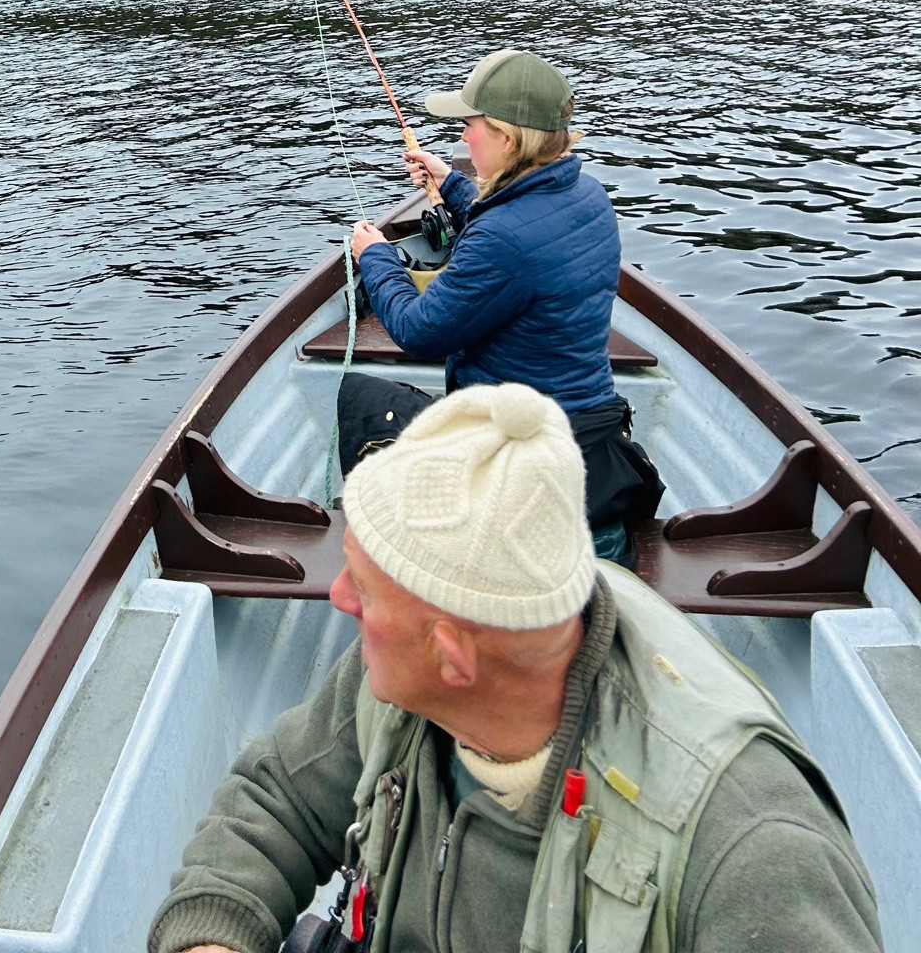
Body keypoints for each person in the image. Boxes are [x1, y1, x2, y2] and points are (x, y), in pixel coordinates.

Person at [147, 383, 882, 953]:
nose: (336, 599)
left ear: (455, 655)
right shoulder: (396, 687)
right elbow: (277, 799)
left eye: (363, 590)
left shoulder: (754, 860)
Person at [347, 48, 659, 555]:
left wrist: (377, 257)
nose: (463, 138)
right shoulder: (589, 196)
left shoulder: (501, 238)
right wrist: (450, 185)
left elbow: (420, 331)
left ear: (508, 139)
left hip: (521, 455)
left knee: (358, 404)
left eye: (472, 126)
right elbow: (521, 226)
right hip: (587, 438)